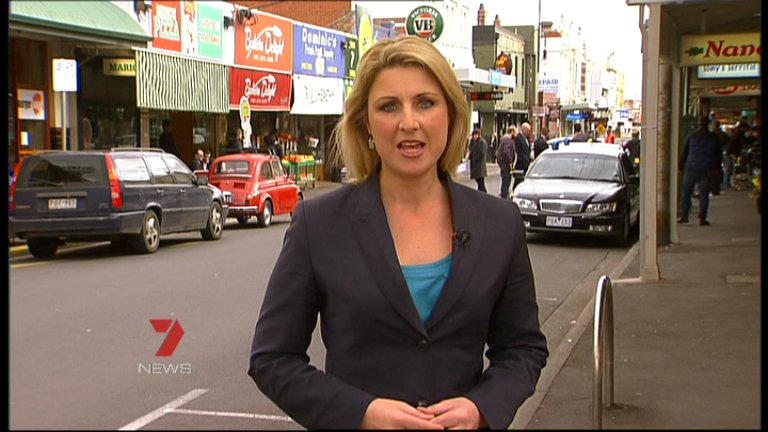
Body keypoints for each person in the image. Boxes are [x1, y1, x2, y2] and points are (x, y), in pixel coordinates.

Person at [248, 35, 548, 430]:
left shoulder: (499, 223)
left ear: (450, 114)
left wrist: (481, 408)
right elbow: (272, 358)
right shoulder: (318, 225)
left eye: (425, 102)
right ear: (366, 123)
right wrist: (361, 413)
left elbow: (523, 348)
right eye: (389, 106)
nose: (409, 122)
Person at [678, 115, 722, 226]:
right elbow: (718, 155)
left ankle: (684, 216)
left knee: (687, 193)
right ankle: (702, 217)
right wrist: (716, 168)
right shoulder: (714, 137)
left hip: (691, 168)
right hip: (707, 169)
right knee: (704, 194)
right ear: (708, 124)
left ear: (699, 123)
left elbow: (684, 151)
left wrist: (680, 165)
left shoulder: (691, 135)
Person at [496, 126, 517, 199]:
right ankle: (504, 198)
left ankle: (504, 196)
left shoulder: (505, 139)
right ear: (512, 132)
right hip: (506, 165)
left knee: (505, 182)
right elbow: (506, 152)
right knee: (506, 182)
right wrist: (510, 162)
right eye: (515, 132)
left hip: (504, 164)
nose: (516, 135)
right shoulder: (507, 140)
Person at [512, 122, 532, 192]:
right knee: (518, 180)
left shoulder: (527, 139)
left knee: (522, 180)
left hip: (526, 163)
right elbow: (517, 151)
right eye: (528, 131)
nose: (529, 132)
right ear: (524, 130)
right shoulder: (518, 138)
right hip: (520, 164)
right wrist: (522, 160)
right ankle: (515, 191)